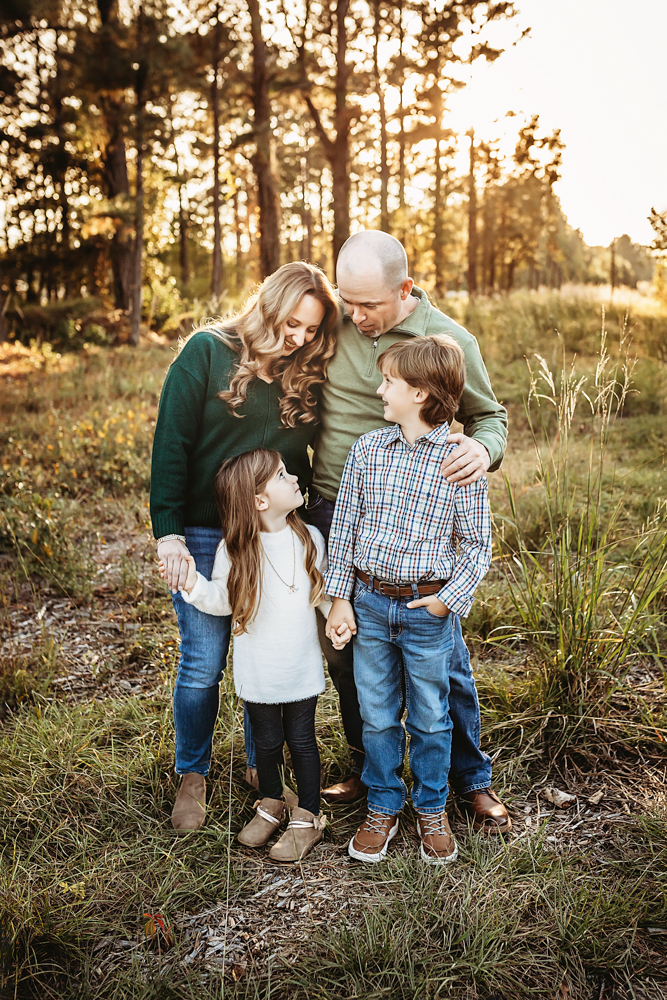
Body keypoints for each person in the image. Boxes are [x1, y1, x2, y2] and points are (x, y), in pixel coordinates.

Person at [305, 230, 511, 834]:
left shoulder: (445, 341)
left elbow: (489, 416)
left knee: (443, 662)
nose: (356, 316)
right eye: (348, 301)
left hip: (422, 515)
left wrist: (482, 450)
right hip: (337, 508)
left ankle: (470, 780)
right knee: (348, 654)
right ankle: (374, 770)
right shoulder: (337, 323)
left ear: (406, 289)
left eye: (369, 304)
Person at [150, 262, 338, 834]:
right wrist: (170, 534)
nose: (301, 338)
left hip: (278, 533)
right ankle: (193, 773)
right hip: (208, 531)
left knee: (276, 647)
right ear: (269, 303)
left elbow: (310, 456)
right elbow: (171, 446)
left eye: (311, 330)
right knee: (204, 662)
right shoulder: (206, 353)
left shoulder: (305, 372)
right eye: (294, 324)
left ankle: (266, 766)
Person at [324, 336, 493, 864]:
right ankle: (382, 804)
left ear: (419, 392)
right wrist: (339, 598)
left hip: (427, 612)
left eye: (388, 382)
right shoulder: (369, 450)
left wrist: (449, 600)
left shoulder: (459, 460)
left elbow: (478, 543)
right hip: (371, 604)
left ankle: (432, 807)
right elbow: (345, 528)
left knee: (429, 718)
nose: (379, 390)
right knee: (375, 714)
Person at [164, 449, 349, 862]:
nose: (294, 477)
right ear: (260, 501)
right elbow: (220, 600)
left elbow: (321, 594)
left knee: (302, 740)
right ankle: (270, 803)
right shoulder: (235, 550)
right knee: (265, 743)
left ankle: (307, 815)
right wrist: (191, 582)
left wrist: (337, 618)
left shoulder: (308, 539)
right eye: (283, 475)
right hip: (258, 670)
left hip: (299, 665)